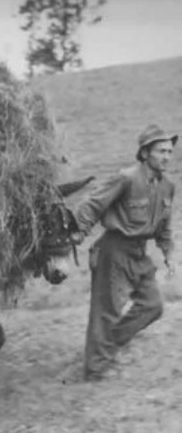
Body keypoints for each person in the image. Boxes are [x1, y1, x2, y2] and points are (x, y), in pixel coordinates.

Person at [72, 124, 177, 381]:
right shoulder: (126, 178)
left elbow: (164, 226)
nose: (166, 156)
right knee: (105, 310)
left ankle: (106, 345)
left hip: (139, 253)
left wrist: (169, 254)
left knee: (153, 306)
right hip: (114, 250)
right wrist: (79, 232)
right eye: (160, 151)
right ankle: (94, 371)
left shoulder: (167, 186)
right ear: (144, 153)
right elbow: (94, 204)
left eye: (169, 151)